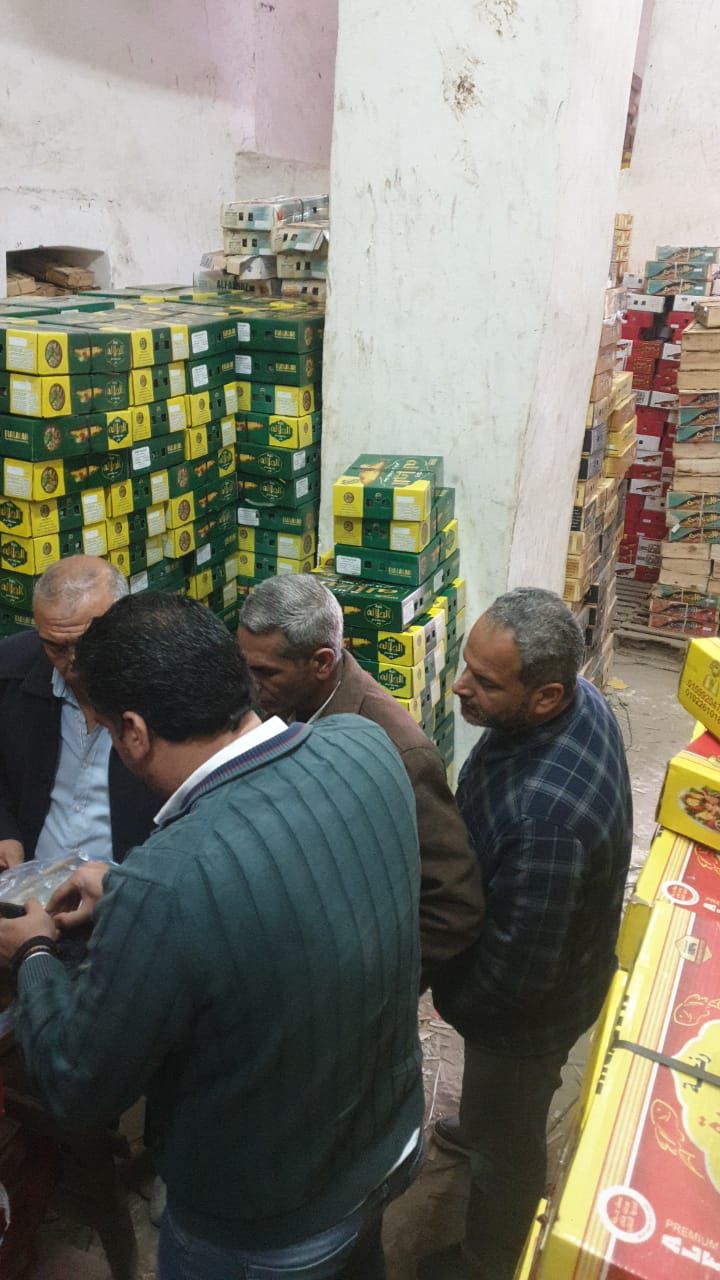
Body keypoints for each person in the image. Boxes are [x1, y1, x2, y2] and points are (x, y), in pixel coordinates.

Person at [0, 593, 425, 1280]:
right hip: (387, 1144)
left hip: (269, 1222)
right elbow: (282, 881)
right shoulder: (364, 745)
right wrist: (126, 889)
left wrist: (34, 951)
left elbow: (77, 1087)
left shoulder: (170, 882)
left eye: (106, 728)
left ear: (133, 731)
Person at [418, 588, 633, 1280]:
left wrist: (447, 993)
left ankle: (487, 1261)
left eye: (484, 682)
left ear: (544, 697)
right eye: (466, 665)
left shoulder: (546, 823)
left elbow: (516, 980)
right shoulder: (577, 701)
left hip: (526, 1022)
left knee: (507, 1154)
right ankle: (484, 1119)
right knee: (494, 1109)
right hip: (550, 953)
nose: (460, 686)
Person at [237, 573, 485, 989]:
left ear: (322, 663)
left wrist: (367, 989)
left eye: (264, 672)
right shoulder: (282, 703)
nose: (249, 684)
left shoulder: (401, 753)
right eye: (245, 666)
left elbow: (452, 907)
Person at [0, 556, 160, 869]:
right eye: (55, 647)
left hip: (126, 884)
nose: (73, 662)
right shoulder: (10, 672)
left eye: (86, 642)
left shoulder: (167, 687)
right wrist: (4, 831)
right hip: (30, 881)